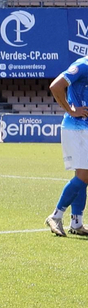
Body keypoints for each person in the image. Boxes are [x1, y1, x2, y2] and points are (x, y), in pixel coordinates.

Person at [46, 56, 88, 237]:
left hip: (84, 129)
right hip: (77, 128)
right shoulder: (83, 65)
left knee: (83, 175)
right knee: (84, 175)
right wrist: (71, 110)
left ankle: (76, 222)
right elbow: (55, 86)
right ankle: (55, 216)